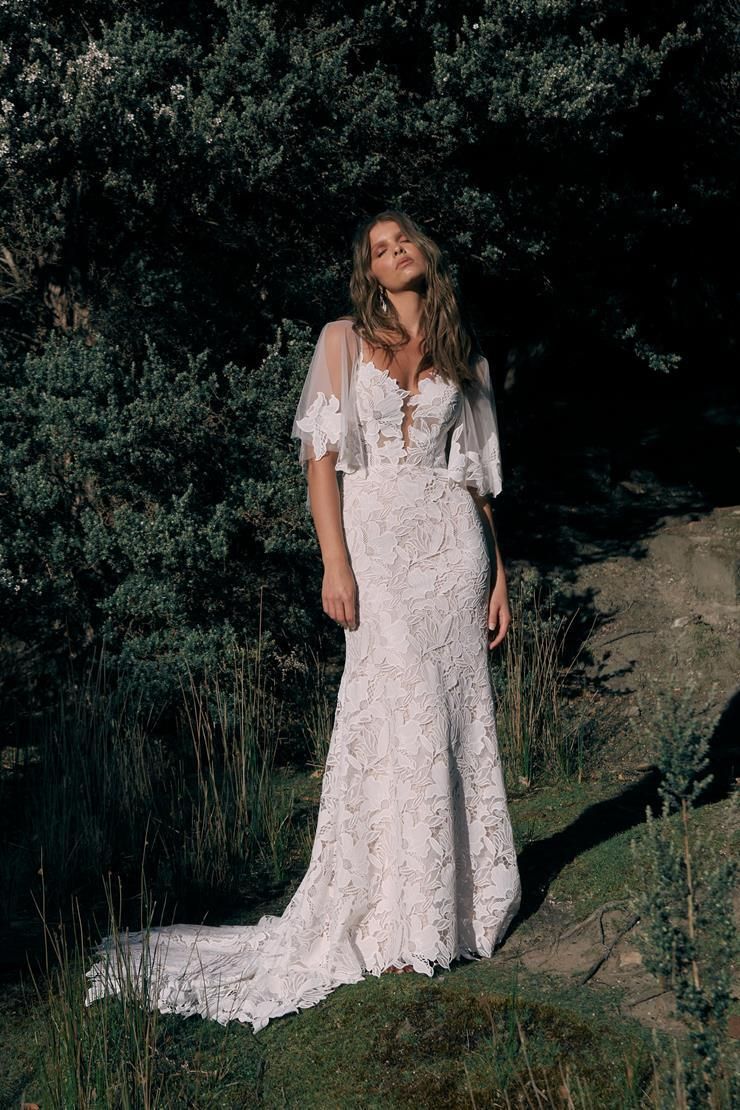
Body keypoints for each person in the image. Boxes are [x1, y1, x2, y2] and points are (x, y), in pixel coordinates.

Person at [85, 210, 522, 1033]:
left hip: (453, 556)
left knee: (456, 718)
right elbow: (320, 464)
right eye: (378, 249)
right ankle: (398, 918)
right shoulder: (342, 340)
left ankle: (460, 909)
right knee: (392, 714)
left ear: (427, 255)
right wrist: (335, 562)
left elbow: (476, 483)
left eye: (404, 242)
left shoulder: (469, 360)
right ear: (369, 269)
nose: (394, 254)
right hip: (379, 552)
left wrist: (498, 574)